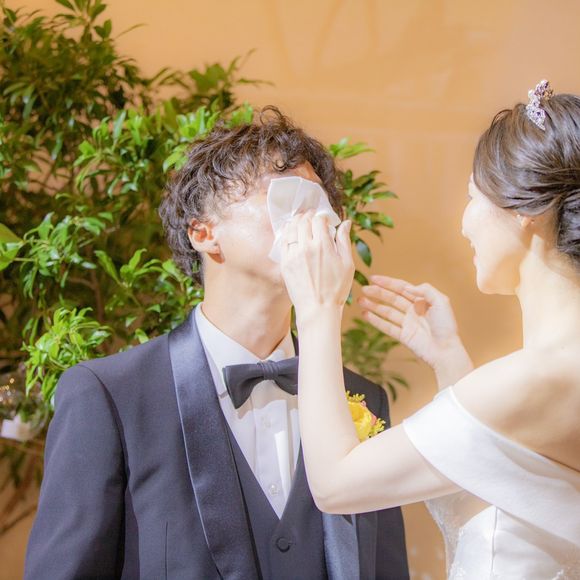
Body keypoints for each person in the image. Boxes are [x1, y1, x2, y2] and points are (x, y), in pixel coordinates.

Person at [24, 107, 409, 579]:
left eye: (319, 202)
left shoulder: (364, 400)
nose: (311, 219)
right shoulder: (110, 396)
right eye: (283, 195)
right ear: (204, 233)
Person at [279, 81, 580, 579]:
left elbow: (335, 486)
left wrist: (317, 310)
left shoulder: (533, 381)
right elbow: (510, 482)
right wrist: (449, 359)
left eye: (471, 196)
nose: (464, 224)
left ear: (527, 210)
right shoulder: (545, 378)